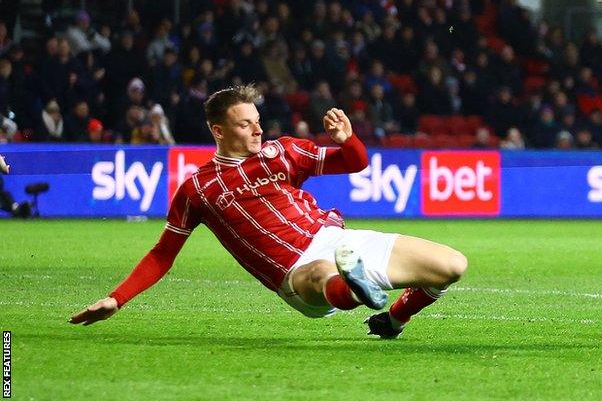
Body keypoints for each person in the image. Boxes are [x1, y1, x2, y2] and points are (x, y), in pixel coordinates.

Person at [71, 84, 467, 339]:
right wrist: (116, 298)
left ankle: (392, 318)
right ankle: (355, 286)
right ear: (218, 131)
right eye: (245, 125)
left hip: (336, 237)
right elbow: (162, 254)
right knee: (322, 275)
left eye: (257, 122)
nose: (258, 130)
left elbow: (356, 163)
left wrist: (349, 139)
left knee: (453, 265)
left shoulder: (284, 151)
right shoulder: (198, 189)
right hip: (295, 270)